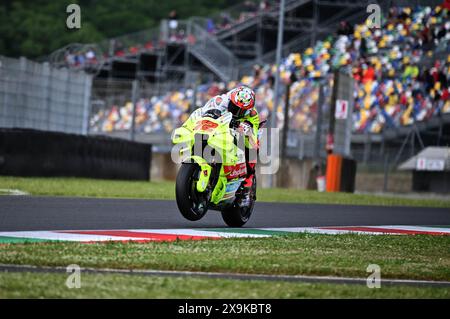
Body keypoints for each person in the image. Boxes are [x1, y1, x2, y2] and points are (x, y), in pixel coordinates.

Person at [197, 86, 259, 206]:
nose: (236, 111)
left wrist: (247, 129)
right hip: (219, 131)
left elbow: (253, 137)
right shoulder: (220, 100)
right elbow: (203, 113)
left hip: (238, 136)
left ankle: (246, 188)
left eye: (241, 110)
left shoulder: (253, 114)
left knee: (252, 151)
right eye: (234, 107)